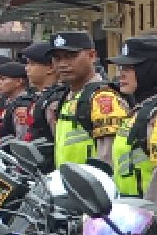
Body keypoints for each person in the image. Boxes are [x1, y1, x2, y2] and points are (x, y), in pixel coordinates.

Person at [107, 36, 157, 201]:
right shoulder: (141, 109)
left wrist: (152, 222)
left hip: (146, 215)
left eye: (130, 68)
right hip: (129, 211)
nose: (121, 74)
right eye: (120, 67)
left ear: (152, 70)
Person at [48, 31, 128, 168]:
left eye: (71, 56)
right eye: (57, 58)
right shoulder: (67, 97)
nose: (62, 64)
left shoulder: (103, 98)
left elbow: (109, 160)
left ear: (92, 56)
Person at [18, 42, 61, 144]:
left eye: (32, 63)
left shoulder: (56, 100)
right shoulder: (40, 97)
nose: (26, 68)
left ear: (50, 68)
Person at [0, 61, 29, 139]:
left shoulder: (22, 106)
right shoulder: (9, 102)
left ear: (19, 82)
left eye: (3, 79)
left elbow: (21, 139)